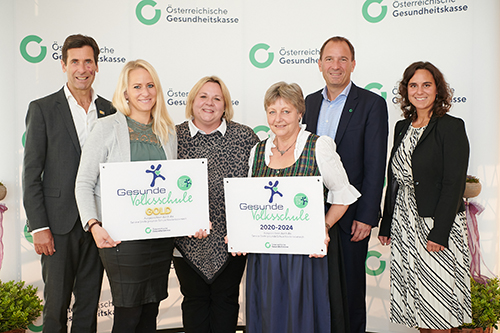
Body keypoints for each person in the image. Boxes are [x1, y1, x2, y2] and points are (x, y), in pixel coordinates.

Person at [246, 81, 360, 333]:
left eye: (286, 111)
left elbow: (343, 195)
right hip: (265, 255)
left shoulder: (318, 146)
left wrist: (324, 227)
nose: (279, 118)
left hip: (304, 255)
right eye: (272, 112)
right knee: (268, 314)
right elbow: (251, 201)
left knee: (301, 317)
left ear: (300, 112)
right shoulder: (257, 151)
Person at [75, 59, 179, 333]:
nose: (145, 92)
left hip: (159, 234)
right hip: (122, 237)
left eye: (150, 85)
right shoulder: (107, 127)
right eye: (137, 86)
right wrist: (93, 225)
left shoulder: (167, 132)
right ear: (125, 93)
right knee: (129, 311)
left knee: (150, 311)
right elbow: (84, 182)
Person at [22, 34, 115, 333]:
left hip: (97, 223)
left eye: (88, 61)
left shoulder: (110, 111)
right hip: (57, 225)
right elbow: (31, 173)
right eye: (74, 61)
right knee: (55, 306)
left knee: (89, 304)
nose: (82, 68)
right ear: (63, 65)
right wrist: (39, 227)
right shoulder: (43, 109)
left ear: (97, 66)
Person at [303, 36, 388, 333]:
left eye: (342, 60)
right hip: (309, 213)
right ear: (319, 64)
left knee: (350, 289)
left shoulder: (372, 104)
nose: (335, 66)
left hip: (352, 215)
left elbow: (375, 165)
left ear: (353, 64)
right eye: (329, 59)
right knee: (314, 287)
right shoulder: (308, 103)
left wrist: (367, 215)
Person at [378, 61, 471, 332]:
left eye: (426, 85)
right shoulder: (401, 127)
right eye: (413, 85)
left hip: (436, 224)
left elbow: (453, 183)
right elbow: (394, 178)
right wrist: (387, 223)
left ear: (438, 89)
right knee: (418, 305)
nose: (420, 91)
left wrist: (439, 232)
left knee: (438, 305)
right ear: (406, 90)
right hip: (405, 225)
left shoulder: (451, 127)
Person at [173, 76, 259, 333]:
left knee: (226, 304)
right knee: (194, 304)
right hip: (185, 243)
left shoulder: (244, 136)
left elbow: (256, 187)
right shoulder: (172, 136)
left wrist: (245, 230)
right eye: (203, 96)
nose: (209, 103)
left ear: (225, 106)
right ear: (192, 101)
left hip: (231, 243)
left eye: (216, 98)